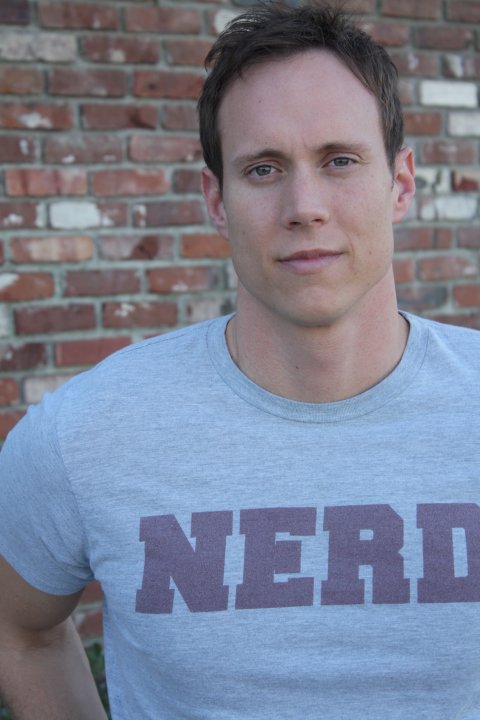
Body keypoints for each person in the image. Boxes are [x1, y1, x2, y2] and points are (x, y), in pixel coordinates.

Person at [1, 2, 479, 718]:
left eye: (340, 160)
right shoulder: (89, 433)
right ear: (217, 200)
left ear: (401, 183)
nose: (304, 205)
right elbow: (18, 627)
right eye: (263, 168)